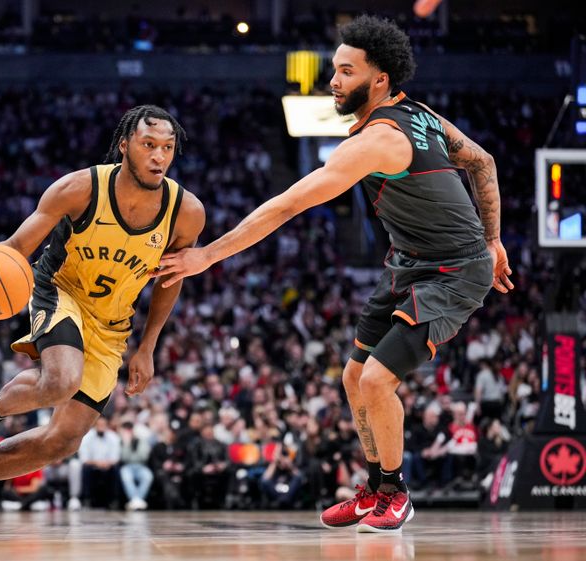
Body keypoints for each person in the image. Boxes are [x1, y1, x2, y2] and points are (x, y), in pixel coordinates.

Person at [153, 15, 513, 532]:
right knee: (351, 376)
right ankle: (374, 487)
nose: (334, 81)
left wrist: (207, 255)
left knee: (375, 378)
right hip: (408, 264)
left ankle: (397, 492)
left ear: (380, 78)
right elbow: (483, 162)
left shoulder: (376, 142)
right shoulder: (419, 114)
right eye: (335, 70)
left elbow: (285, 207)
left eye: (346, 71)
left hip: (453, 271)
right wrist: (495, 236)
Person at [0, 105, 205, 533]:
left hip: (112, 325)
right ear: (124, 146)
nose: (159, 156)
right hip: (60, 293)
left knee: (63, 441)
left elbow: (169, 281)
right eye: (148, 145)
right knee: (61, 380)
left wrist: (148, 346)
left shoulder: (186, 212)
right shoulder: (79, 188)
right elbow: (16, 247)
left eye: (167, 147)